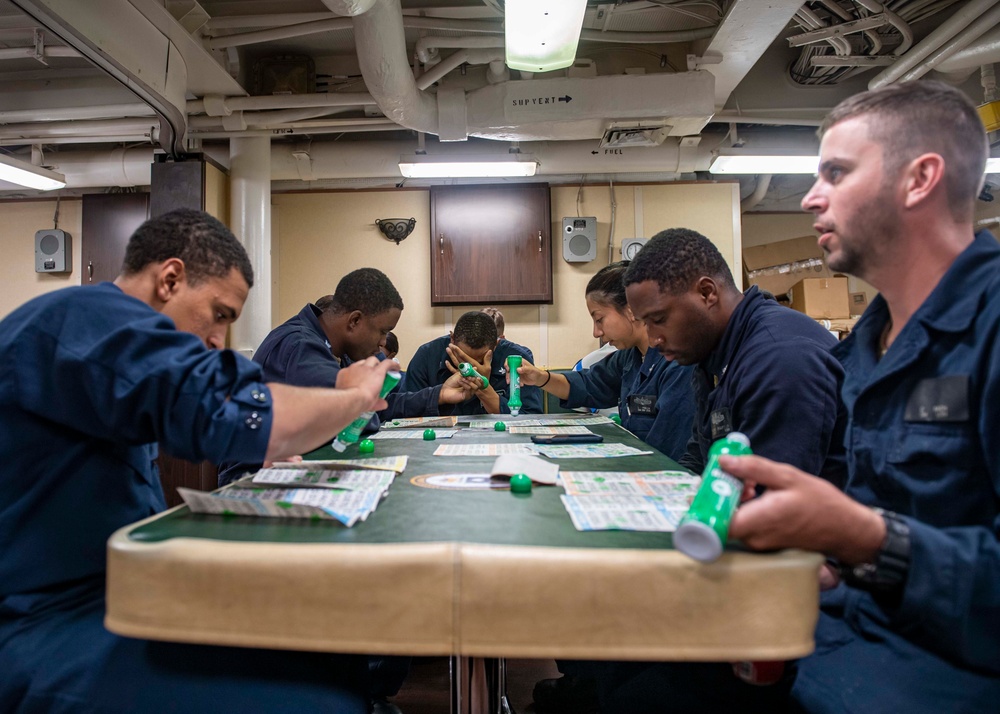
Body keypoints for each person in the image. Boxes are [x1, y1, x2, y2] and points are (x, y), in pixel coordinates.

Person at [604, 81, 1000, 714]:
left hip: (940, 673)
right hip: (840, 636)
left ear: (920, 178)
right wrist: (832, 555)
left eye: (837, 174)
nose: (812, 197)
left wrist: (864, 540)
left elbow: (882, 537)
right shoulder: (867, 347)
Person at [0, 209, 393, 713]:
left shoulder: (110, 341)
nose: (217, 340)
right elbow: (233, 412)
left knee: (331, 656)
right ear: (170, 279)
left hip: (118, 594)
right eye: (221, 314)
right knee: (324, 702)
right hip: (42, 628)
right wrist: (356, 395)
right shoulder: (88, 323)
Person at [625, 228, 847, 485]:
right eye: (646, 324)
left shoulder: (780, 360)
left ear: (707, 293)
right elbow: (700, 459)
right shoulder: (713, 354)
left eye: (659, 320)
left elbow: (773, 502)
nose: (654, 339)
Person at [218, 269, 474, 485]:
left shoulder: (340, 349)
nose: (384, 342)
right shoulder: (300, 345)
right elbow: (357, 418)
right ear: (354, 321)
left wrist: (438, 394)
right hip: (253, 478)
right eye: (383, 331)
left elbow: (378, 406)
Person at [514, 261, 696, 460]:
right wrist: (539, 377)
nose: (596, 332)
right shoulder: (629, 357)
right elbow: (588, 385)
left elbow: (670, 452)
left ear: (632, 310)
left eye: (599, 319)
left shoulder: (680, 362)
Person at [404, 310, 542, 416]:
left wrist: (485, 390)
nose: (472, 367)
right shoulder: (427, 356)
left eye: (480, 359)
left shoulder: (515, 359)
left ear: (496, 344)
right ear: (452, 339)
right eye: (463, 358)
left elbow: (530, 418)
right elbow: (406, 414)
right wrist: (440, 396)